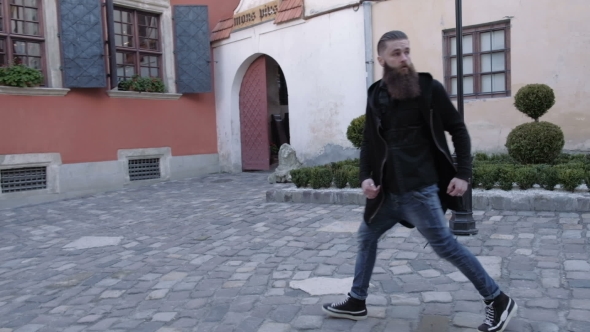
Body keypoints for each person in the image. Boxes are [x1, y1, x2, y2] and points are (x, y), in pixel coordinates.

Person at [321, 30, 517, 332]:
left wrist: (463, 173)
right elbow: (369, 143)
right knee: (366, 238)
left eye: (407, 51)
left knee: (446, 247)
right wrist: (365, 179)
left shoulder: (428, 88)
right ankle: (357, 300)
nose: (404, 59)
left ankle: (497, 299)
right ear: (382, 59)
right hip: (387, 195)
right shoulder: (375, 93)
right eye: (397, 53)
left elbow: (458, 129)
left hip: (420, 191)